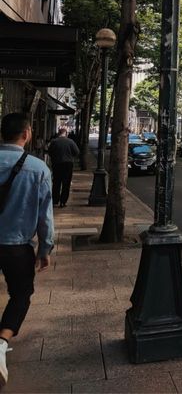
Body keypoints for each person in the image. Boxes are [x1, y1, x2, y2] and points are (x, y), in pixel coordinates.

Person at [0, 112, 54, 387]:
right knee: (20, 295)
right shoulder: (38, 168)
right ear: (27, 133)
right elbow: (45, 217)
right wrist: (45, 249)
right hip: (18, 247)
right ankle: (1, 344)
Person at [47, 127, 79, 208]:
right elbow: (77, 152)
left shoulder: (54, 141)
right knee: (66, 183)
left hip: (57, 163)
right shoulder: (70, 141)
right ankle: (63, 201)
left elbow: (49, 151)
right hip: (68, 164)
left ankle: (55, 200)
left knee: (56, 182)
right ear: (66, 133)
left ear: (59, 133)